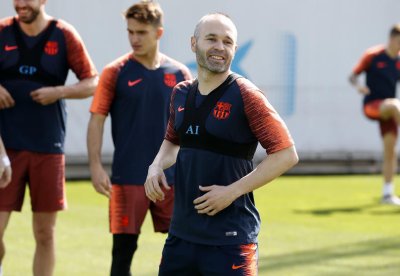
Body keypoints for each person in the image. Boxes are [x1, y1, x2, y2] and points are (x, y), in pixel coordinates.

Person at [145, 13, 298, 275]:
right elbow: (173, 140)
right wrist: (156, 165)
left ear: (235, 50)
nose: (219, 47)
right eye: (211, 39)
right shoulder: (181, 93)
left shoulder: (246, 94)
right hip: (181, 237)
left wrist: (232, 191)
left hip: (231, 240)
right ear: (194, 43)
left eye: (227, 42)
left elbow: (286, 154)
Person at [87, 2, 191, 275]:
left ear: (159, 33)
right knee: (122, 255)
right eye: (130, 32)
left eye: (141, 32)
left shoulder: (180, 74)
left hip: (172, 179)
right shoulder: (115, 71)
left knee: (185, 249)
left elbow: (191, 128)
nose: (134, 38)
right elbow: (96, 120)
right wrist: (95, 166)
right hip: (128, 178)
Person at [0, 0, 98, 275]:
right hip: (3, 149)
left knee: (45, 233)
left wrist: (59, 92)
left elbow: (93, 82)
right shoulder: (2, 31)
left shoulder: (64, 34)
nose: (20, 4)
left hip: (47, 146)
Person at [349, 23, 400, 206]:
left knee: (391, 150)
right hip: (372, 106)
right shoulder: (373, 55)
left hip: (390, 111)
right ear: (392, 38)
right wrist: (359, 86)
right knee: (394, 104)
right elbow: (353, 76)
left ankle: (387, 194)